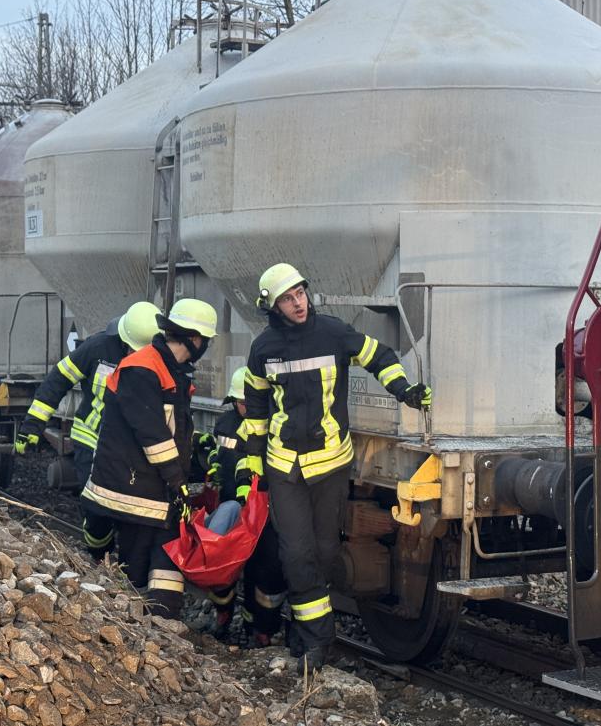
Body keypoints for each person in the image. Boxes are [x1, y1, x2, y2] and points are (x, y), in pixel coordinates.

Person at [238, 263, 432, 671]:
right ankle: (318, 642)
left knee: (325, 552)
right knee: (296, 553)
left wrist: (405, 390)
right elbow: (255, 412)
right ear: (272, 307)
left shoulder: (333, 333)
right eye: (288, 299)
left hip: (330, 466)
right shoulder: (263, 349)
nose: (298, 304)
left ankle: (301, 623)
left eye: (301, 294)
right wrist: (250, 470)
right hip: (284, 469)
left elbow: (379, 356)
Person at [81, 298, 218, 619]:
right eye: (206, 342)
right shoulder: (143, 368)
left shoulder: (171, 370)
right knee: (140, 563)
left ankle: (163, 625)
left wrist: (192, 461)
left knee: (166, 555)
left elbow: (173, 431)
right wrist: (178, 482)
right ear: (195, 340)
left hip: (151, 488)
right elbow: (153, 434)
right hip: (131, 489)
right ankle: (138, 623)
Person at [14, 301, 162, 560]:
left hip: (132, 449)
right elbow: (56, 381)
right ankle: (97, 555)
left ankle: (129, 566)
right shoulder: (98, 348)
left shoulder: (158, 357)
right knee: (96, 510)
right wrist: (32, 426)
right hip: (92, 440)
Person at [201, 366, 286, 646]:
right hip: (230, 509)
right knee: (220, 567)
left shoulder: (274, 428)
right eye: (241, 402)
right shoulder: (225, 424)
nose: (246, 407)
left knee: (265, 574)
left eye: (250, 402)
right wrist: (210, 467)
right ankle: (223, 612)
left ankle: (259, 630)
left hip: (262, 516)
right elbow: (219, 455)